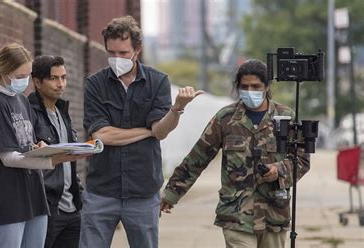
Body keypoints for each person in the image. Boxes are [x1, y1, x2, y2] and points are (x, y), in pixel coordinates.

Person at [160, 59, 311, 248]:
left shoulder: (286, 117)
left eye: (255, 86)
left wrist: (279, 170)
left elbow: (302, 160)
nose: (250, 91)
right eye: (245, 86)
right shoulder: (225, 118)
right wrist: (171, 194)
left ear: (267, 86)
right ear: (238, 87)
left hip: (273, 215)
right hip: (235, 215)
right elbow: (197, 158)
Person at [81, 16, 202, 248]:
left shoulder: (157, 82)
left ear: (138, 50)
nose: (117, 59)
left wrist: (177, 108)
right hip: (102, 190)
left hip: (142, 191)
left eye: (123, 53)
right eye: (111, 53)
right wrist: (146, 132)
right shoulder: (95, 84)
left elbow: (161, 130)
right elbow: (101, 136)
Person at [0, 43, 78, 248]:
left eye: (27, 75)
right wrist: (51, 160)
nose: (25, 81)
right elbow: (8, 157)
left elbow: (25, 144)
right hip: (7, 198)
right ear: (4, 72)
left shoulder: (21, 101)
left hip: (33, 195)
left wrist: (38, 147)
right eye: (20, 75)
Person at [28, 55, 83, 248]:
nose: (61, 84)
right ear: (37, 82)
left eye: (63, 77)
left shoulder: (62, 112)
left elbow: (69, 159)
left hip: (72, 208)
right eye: (53, 78)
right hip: (47, 208)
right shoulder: (28, 113)